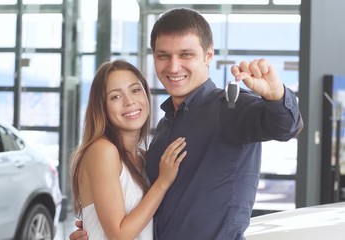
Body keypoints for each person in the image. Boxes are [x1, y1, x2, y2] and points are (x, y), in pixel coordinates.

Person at [70, 7, 303, 240]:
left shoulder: (230, 108)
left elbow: (285, 127)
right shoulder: (162, 131)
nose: (173, 67)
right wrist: (96, 227)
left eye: (186, 55)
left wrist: (276, 95)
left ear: (208, 55)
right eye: (164, 56)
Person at [69, 59, 187, 240]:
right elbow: (119, 235)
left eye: (135, 90)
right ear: (102, 106)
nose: (129, 101)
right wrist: (163, 182)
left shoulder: (142, 157)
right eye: (115, 96)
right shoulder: (103, 151)